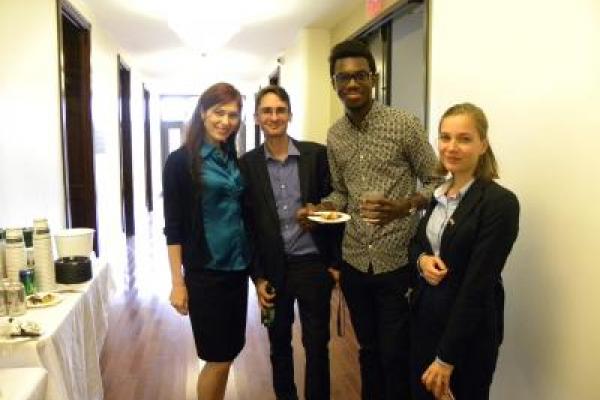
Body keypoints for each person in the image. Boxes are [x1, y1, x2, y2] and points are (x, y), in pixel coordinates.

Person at [298, 39, 442, 400]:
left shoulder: (404, 125)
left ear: (373, 78)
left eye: (360, 75)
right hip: (354, 261)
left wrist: (405, 205)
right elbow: (342, 194)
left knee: (396, 352)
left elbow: (437, 179)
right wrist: (320, 209)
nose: (352, 83)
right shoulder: (335, 135)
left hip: (397, 259)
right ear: (334, 83)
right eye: (343, 77)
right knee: (368, 350)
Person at [409, 103, 520, 400]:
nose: (451, 147)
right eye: (445, 137)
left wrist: (446, 358)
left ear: (483, 144)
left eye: (464, 138)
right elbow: (418, 244)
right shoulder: (438, 195)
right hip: (425, 325)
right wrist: (422, 261)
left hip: (467, 338)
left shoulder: (500, 204)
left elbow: (477, 286)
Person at [239, 85, 342, 400]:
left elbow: (335, 205)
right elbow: (248, 227)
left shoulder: (316, 155)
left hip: (312, 264)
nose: (274, 117)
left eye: (280, 110)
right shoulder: (247, 165)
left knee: (317, 346)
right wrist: (257, 277)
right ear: (257, 118)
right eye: (267, 111)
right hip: (273, 269)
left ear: (289, 114)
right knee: (279, 344)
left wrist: (335, 263)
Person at [162, 82, 250, 400]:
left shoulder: (232, 159)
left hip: (237, 270)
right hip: (206, 273)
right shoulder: (180, 161)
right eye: (218, 112)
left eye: (233, 114)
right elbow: (173, 227)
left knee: (228, 354)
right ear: (202, 112)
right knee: (218, 357)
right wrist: (177, 282)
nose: (226, 121)